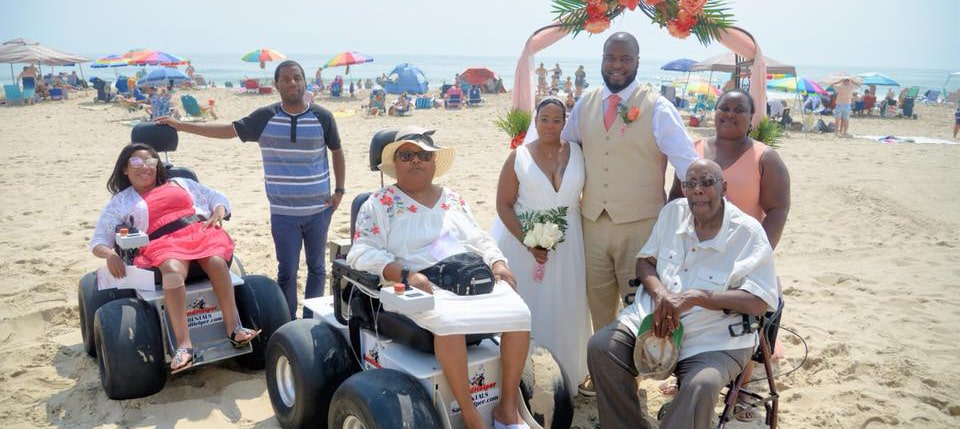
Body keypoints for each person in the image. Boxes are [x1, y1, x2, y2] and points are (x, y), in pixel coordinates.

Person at [347, 126, 532, 429]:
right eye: (407, 155)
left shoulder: (453, 198)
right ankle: (471, 415)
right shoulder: (380, 204)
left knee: (520, 314)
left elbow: (478, 237)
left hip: (464, 275)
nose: (416, 161)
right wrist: (406, 274)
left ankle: (507, 408)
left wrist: (498, 262)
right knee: (450, 321)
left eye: (424, 155)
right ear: (395, 164)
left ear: (434, 163)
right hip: (415, 284)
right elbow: (361, 252)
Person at [588, 159, 780, 429]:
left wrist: (697, 297)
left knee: (702, 385)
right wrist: (661, 295)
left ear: (723, 187)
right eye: (690, 184)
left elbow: (760, 302)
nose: (697, 190)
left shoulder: (748, 233)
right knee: (602, 348)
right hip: (651, 320)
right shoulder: (672, 213)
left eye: (706, 182)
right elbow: (645, 262)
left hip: (713, 339)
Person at [560, 31, 698, 396]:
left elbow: (688, 165)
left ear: (637, 61)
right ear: (602, 59)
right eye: (611, 57)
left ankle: (632, 374)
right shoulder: (585, 103)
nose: (617, 65)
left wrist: (678, 210)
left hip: (641, 225)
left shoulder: (657, 107)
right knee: (599, 300)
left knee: (636, 302)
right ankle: (604, 369)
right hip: (591, 221)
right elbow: (564, 152)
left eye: (625, 58)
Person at [155, 60, 346, 320]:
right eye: (286, 78)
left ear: (305, 81)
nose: (293, 83)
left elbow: (337, 151)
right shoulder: (265, 117)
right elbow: (227, 130)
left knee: (317, 268)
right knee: (287, 272)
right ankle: (288, 320)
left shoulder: (322, 116)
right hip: (283, 213)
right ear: (276, 84)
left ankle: (312, 320)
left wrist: (339, 191)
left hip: (319, 210)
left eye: (297, 77)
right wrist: (182, 126)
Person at [90, 143, 260, 373]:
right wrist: (110, 255)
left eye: (150, 161)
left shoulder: (180, 182)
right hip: (161, 242)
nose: (145, 167)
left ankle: (234, 328)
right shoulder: (120, 201)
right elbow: (99, 240)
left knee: (218, 262)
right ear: (124, 169)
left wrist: (219, 209)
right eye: (136, 163)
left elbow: (214, 196)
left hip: (197, 232)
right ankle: (183, 345)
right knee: (171, 269)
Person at [682, 88, 791, 421]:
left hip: (744, 256)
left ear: (751, 117)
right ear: (713, 112)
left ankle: (741, 386)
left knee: (755, 310)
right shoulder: (695, 150)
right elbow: (677, 200)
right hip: (699, 253)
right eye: (722, 108)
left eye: (737, 109)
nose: (728, 114)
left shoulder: (765, 157)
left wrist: (758, 257)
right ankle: (687, 372)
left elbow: (777, 208)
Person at [493, 98, 590, 398]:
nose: (550, 125)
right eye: (544, 119)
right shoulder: (518, 157)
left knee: (566, 303)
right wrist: (528, 240)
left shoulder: (579, 154)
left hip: (570, 241)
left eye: (556, 119)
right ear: (535, 121)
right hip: (523, 242)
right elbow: (503, 204)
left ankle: (566, 374)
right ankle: (518, 376)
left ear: (565, 122)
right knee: (528, 306)